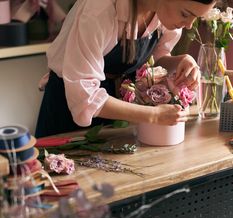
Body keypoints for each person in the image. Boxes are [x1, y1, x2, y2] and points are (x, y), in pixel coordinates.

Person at [35, 0, 216, 138]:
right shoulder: (100, 10)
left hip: (118, 108)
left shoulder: (162, 15)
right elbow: (85, 97)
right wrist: (153, 115)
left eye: (195, 18)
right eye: (185, 14)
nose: (189, 25)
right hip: (68, 111)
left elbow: (157, 57)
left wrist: (180, 61)